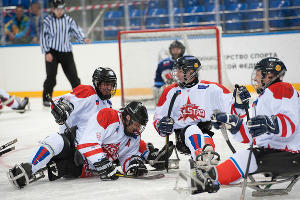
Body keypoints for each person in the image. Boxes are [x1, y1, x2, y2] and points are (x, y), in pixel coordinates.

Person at [190, 57, 300, 194]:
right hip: (280, 154)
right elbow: (250, 136)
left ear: (269, 75)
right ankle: (207, 179)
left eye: (259, 73)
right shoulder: (262, 99)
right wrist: (233, 124)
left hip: (292, 155)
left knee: (246, 157)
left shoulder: (281, 89)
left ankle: (205, 180)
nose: (255, 78)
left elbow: (290, 124)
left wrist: (270, 123)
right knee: (248, 156)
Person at [8, 101, 150, 188]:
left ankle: (46, 168)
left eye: (140, 126)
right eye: (137, 125)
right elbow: (87, 143)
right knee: (55, 140)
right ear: (127, 117)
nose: (138, 129)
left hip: (83, 169)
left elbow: (126, 158)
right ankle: (29, 169)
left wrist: (132, 165)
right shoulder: (109, 116)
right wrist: (103, 163)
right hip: (75, 148)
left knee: (54, 168)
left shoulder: (135, 137)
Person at [153, 55, 245, 177]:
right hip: (182, 137)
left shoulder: (211, 88)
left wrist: (239, 101)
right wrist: (161, 125)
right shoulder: (169, 91)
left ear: (191, 72)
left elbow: (233, 107)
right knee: (192, 129)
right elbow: (158, 117)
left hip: (205, 132)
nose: (177, 74)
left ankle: (207, 156)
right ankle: (200, 157)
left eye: (180, 70)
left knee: (205, 137)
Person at [40, 0, 91, 107]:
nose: (60, 11)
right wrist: (46, 52)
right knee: (51, 77)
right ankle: (46, 98)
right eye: (57, 9)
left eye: (61, 9)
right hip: (52, 52)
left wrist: (83, 38)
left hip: (66, 52)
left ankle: (79, 97)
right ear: (53, 9)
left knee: (74, 77)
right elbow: (43, 37)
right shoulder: (47, 21)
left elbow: (76, 31)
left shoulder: (69, 20)